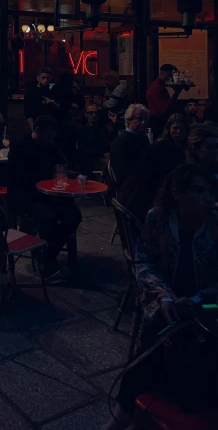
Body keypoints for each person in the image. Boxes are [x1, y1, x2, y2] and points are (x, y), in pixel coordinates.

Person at [102, 164, 218, 429]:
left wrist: (198, 300)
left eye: (211, 192)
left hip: (209, 304)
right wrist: (164, 297)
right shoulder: (158, 218)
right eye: (199, 191)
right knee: (156, 336)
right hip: (166, 300)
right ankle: (124, 416)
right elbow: (143, 262)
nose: (208, 199)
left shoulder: (215, 225)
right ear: (177, 193)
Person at [8, 115, 82, 275]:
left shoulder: (51, 147)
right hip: (27, 196)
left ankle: (47, 253)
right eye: (48, 137)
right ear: (38, 130)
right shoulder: (19, 147)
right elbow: (19, 178)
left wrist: (74, 175)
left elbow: (60, 167)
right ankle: (47, 258)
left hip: (49, 195)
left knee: (74, 215)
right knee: (48, 218)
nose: (50, 140)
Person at [118, 113, 188, 222]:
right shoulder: (161, 147)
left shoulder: (183, 148)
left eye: (182, 129)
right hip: (147, 198)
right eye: (175, 128)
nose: (178, 132)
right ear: (169, 128)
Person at [109, 104, 150, 192]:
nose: (143, 122)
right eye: (139, 119)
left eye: (145, 119)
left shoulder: (143, 138)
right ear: (129, 120)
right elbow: (123, 173)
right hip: (130, 188)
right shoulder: (121, 142)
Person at [146, 63, 183, 138]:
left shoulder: (159, 86)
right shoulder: (156, 88)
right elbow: (164, 109)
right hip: (158, 122)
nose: (171, 78)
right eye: (169, 76)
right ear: (162, 73)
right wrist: (176, 93)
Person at [76, 104, 110, 178]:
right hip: (90, 161)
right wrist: (102, 154)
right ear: (86, 115)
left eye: (96, 112)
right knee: (111, 164)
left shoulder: (103, 129)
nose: (94, 115)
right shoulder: (82, 130)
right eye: (91, 113)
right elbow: (83, 149)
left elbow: (108, 144)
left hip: (102, 158)